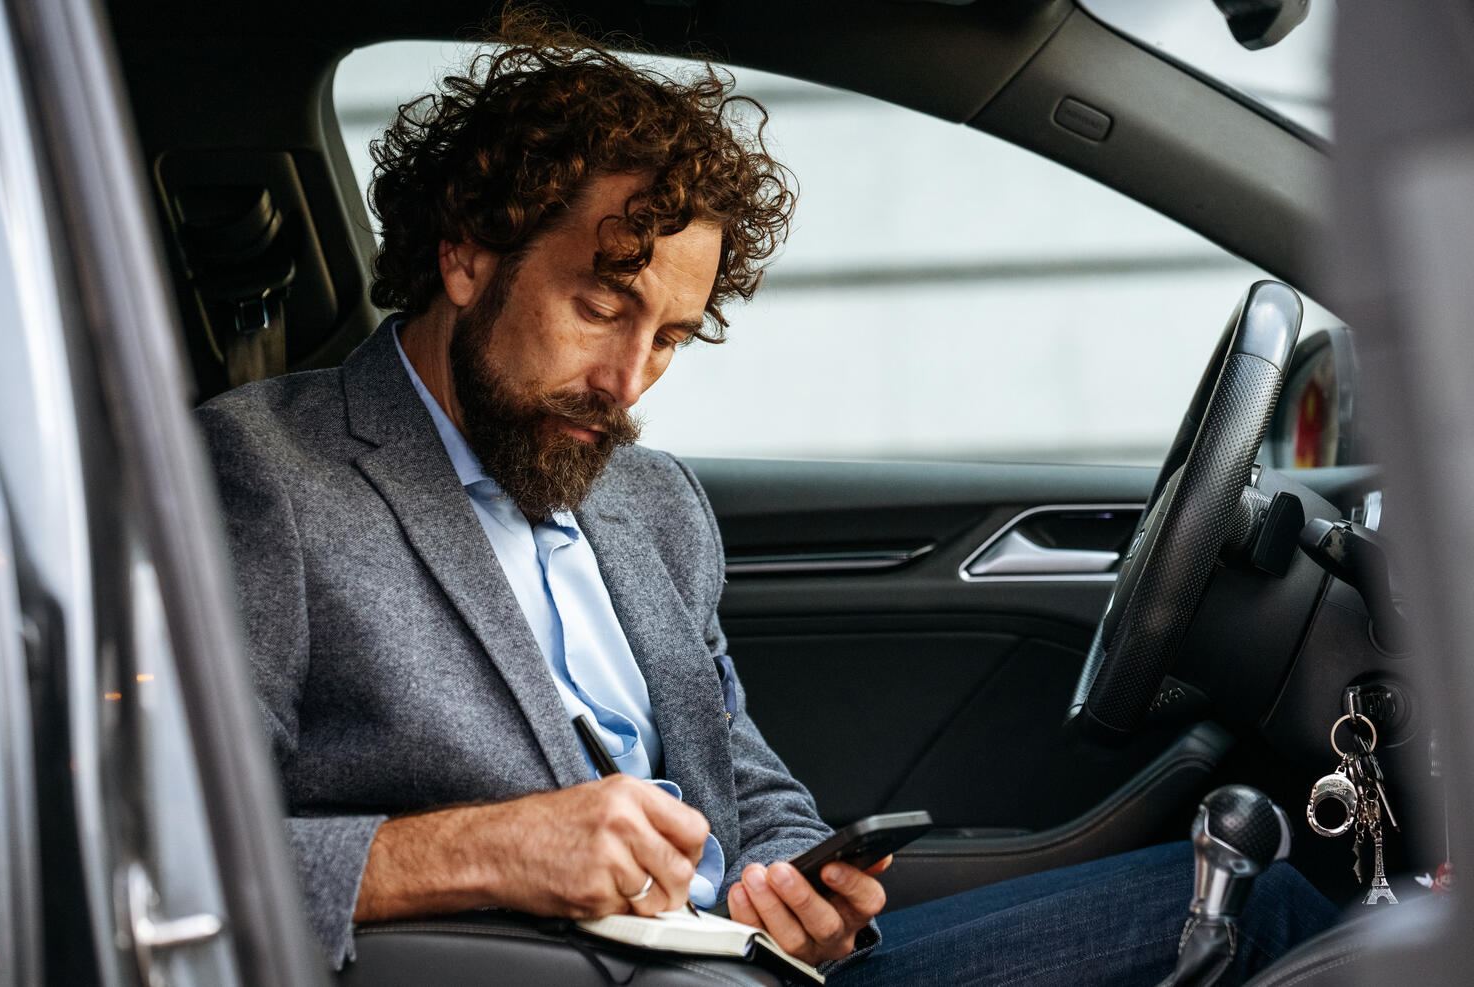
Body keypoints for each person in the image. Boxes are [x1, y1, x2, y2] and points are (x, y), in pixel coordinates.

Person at [197, 17, 1337, 985]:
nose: (626, 381)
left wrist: (804, 886)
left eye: (672, 339)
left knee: (1262, 909)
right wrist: (479, 853)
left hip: (745, 965)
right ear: (465, 258)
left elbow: (744, 783)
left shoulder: (649, 503)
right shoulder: (264, 476)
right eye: (600, 307)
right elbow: (139, 862)